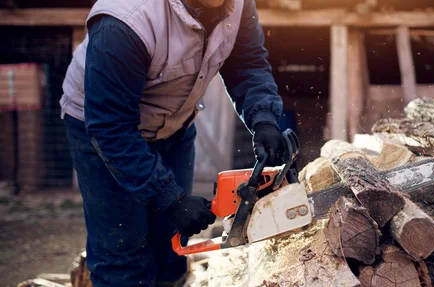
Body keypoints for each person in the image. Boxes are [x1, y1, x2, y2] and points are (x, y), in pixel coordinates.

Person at [59, 0, 286, 285]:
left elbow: (247, 63)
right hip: (104, 130)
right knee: (124, 254)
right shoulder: (125, 20)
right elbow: (110, 127)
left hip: (173, 124)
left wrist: (263, 117)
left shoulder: (238, 5)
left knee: (171, 247)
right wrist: (169, 197)